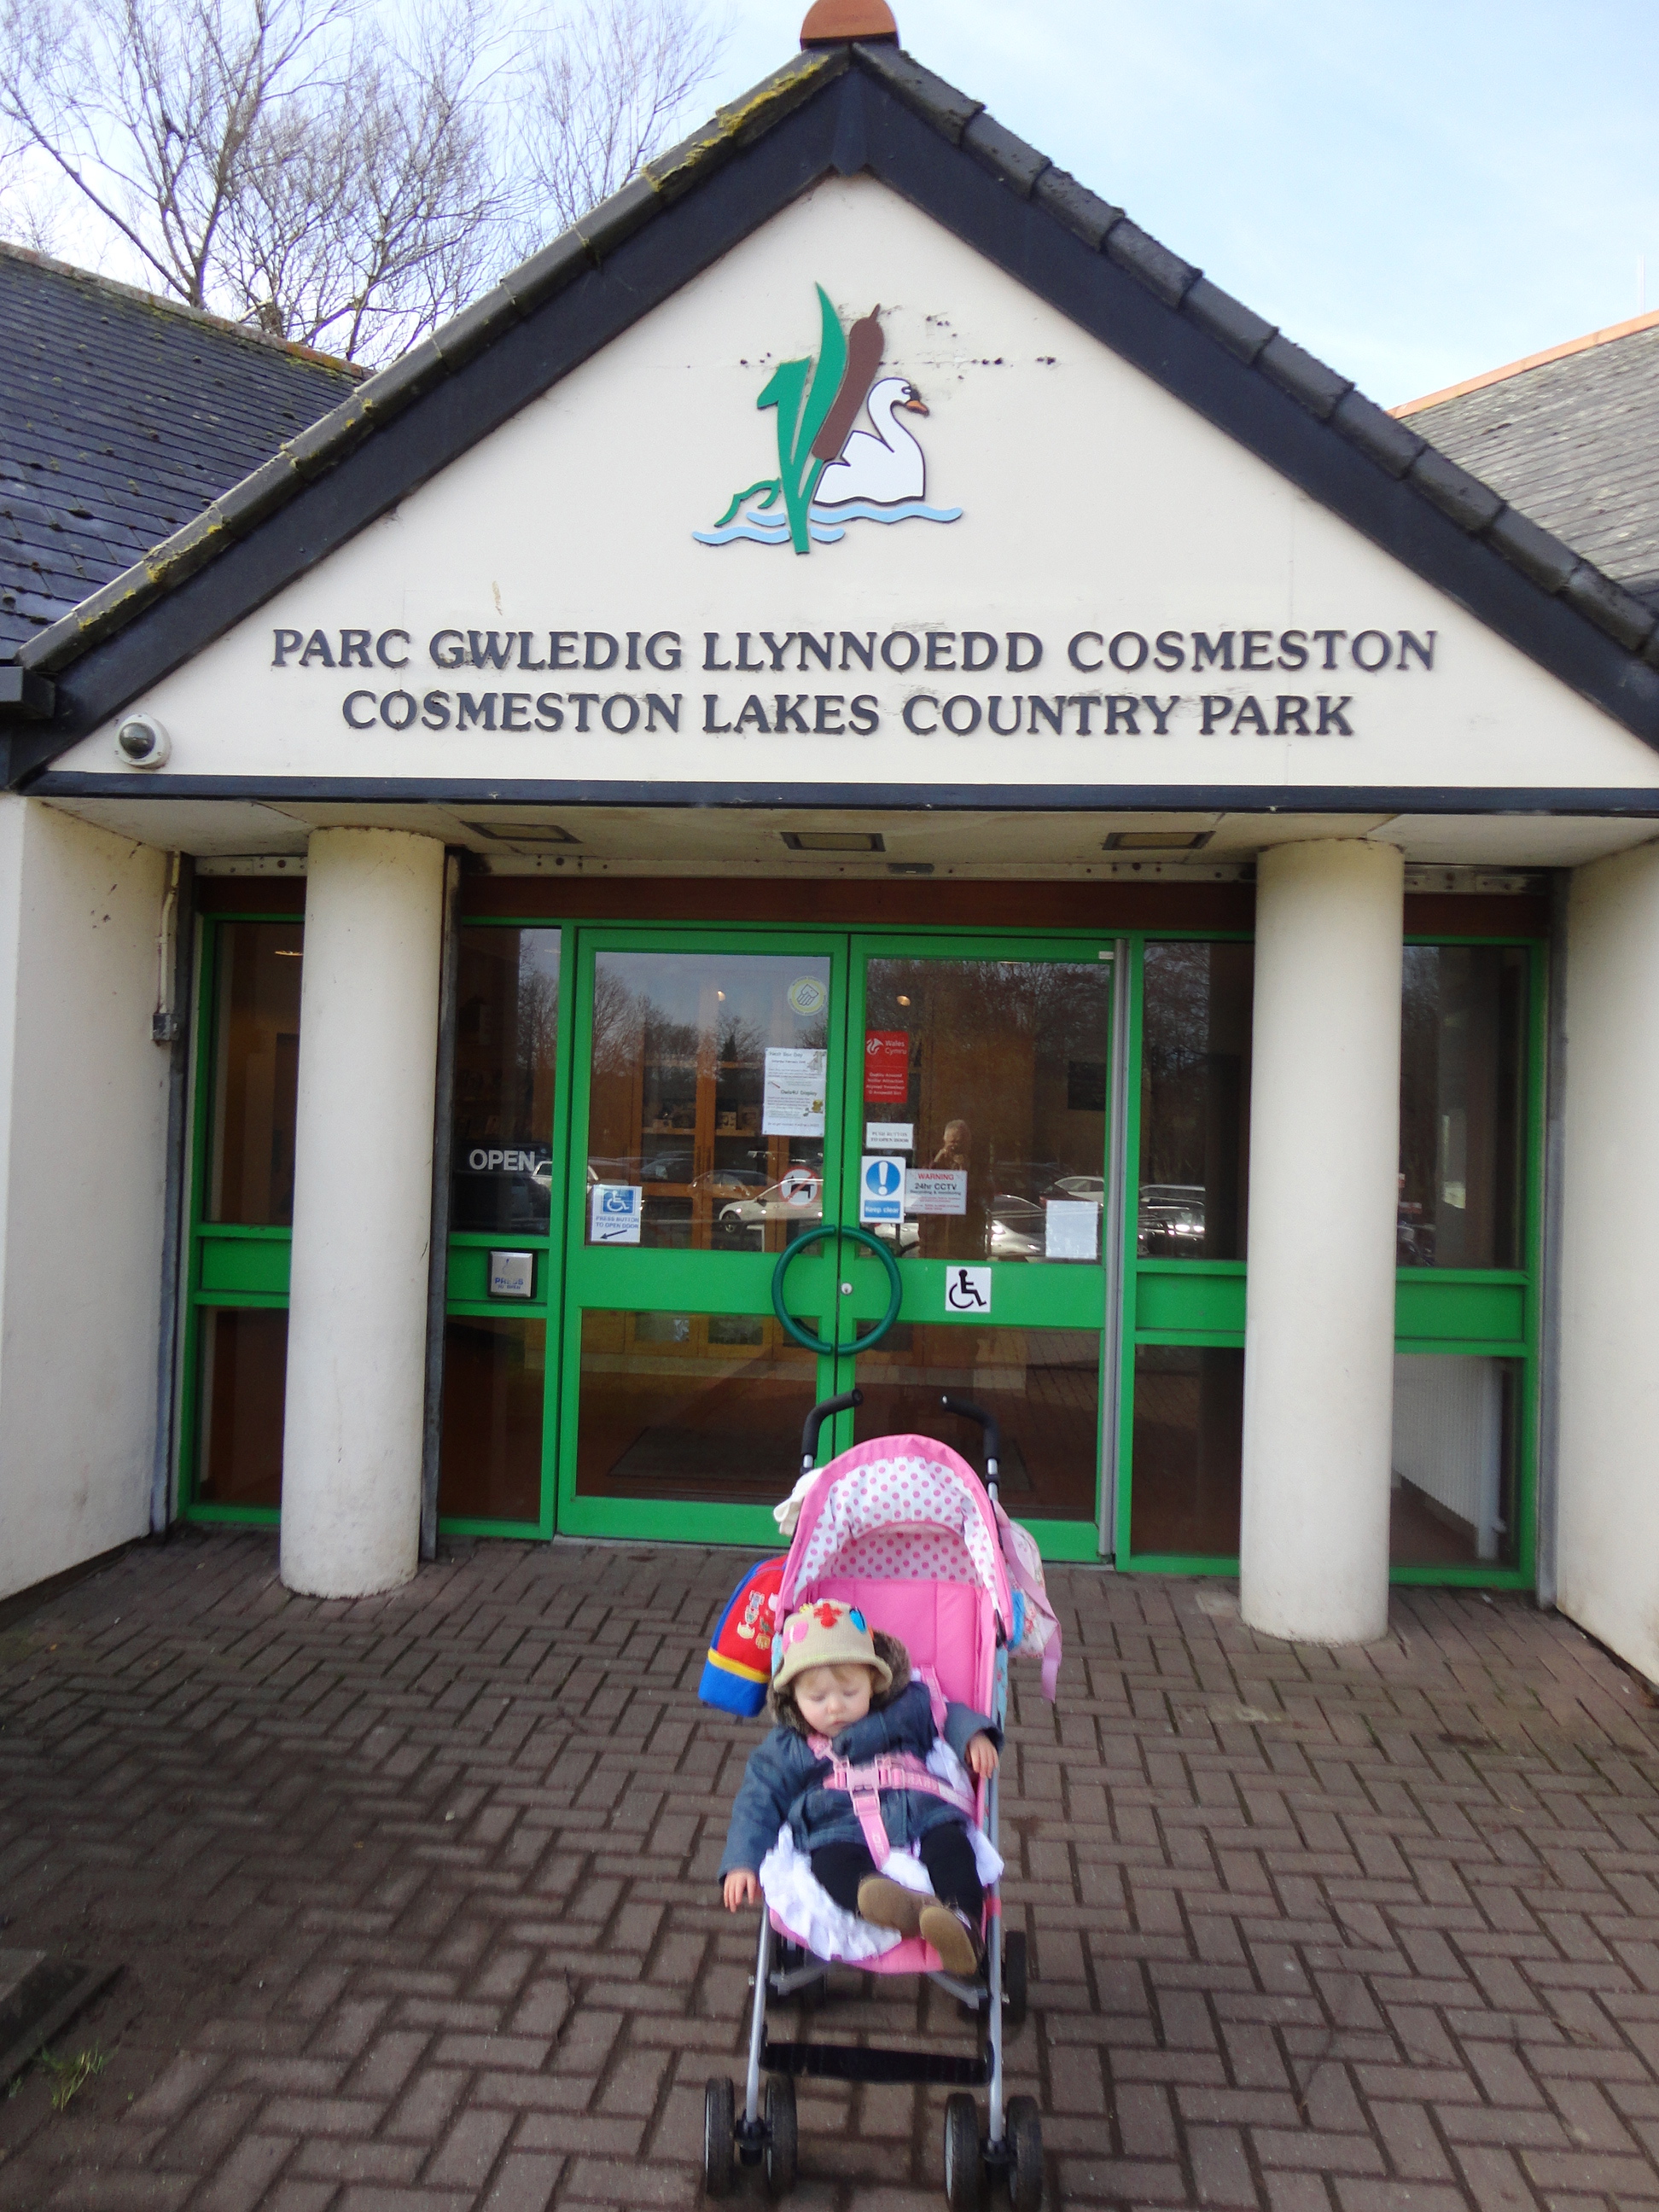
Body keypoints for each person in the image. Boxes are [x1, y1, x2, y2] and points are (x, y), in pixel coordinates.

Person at [718, 1598, 999, 1976]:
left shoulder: (904, 1707)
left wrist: (972, 1736)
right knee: (830, 1866)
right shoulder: (789, 1746)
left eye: (849, 1693)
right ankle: (891, 1903)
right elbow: (759, 1798)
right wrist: (742, 1860)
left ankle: (962, 1926)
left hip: (916, 1808)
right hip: (838, 1824)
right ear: (793, 1697)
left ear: (874, 1682)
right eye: (817, 1698)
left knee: (953, 1847)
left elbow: (944, 1714)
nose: (834, 1707)